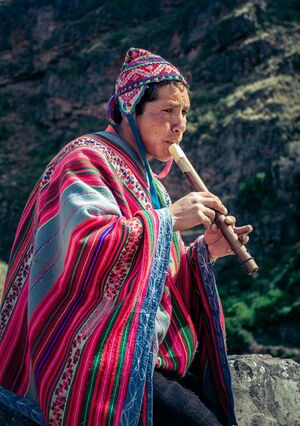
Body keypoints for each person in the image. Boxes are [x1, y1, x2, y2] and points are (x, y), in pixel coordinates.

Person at [0, 47, 252, 426]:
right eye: (166, 111)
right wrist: (167, 220)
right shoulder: (84, 158)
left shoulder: (153, 186)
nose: (179, 124)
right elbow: (87, 245)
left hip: (146, 349)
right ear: (131, 108)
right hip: (95, 352)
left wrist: (205, 251)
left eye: (184, 113)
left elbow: (158, 276)